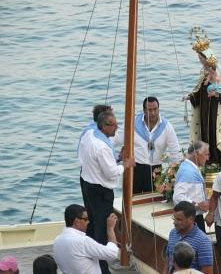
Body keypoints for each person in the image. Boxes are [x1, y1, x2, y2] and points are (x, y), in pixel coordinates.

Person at [79, 111, 134, 274]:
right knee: (102, 228)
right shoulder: (102, 146)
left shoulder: (90, 135)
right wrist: (126, 164)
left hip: (88, 184)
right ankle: (102, 268)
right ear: (103, 127)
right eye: (113, 125)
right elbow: (111, 172)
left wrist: (117, 159)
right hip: (101, 191)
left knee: (92, 224)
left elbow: (102, 164)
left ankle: (90, 257)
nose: (117, 127)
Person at [186, 35, 221, 164]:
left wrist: (218, 95)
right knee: (205, 133)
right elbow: (199, 91)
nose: (200, 61)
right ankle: (207, 160)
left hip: (215, 111)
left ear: (207, 58)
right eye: (199, 58)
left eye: (201, 58)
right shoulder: (204, 74)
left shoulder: (218, 73)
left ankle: (215, 159)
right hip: (204, 111)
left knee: (214, 135)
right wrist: (191, 97)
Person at [132, 97, 182, 193]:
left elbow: (175, 151)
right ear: (144, 110)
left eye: (155, 109)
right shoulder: (133, 123)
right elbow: (116, 139)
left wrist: (179, 174)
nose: (153, 113)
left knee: (154, 200)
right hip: (136, 168)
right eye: (149, 110)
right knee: (132, 201)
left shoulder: (167, 126)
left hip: (156, 169)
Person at [53, 204, 119, 274]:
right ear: (77, 221)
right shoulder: (83, 242)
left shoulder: (57, 240)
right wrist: (110, 229)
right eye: (86, 219)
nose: (89, 222)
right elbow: (112, 253)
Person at [163, 201, 213, 274]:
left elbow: (207, 272)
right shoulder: (173, 233)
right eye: (174, 218)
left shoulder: (203, 241)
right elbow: (168, 264)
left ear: (190, 219)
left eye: (179, 219)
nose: (174, 223)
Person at [173, 141, 209, 232]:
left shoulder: (190, 168)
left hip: (193, 217)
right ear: (196, 154)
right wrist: (197, 205)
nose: (207, 158)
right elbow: (178, 197)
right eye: (206, 154)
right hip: (190, 220)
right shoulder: (187, 171)